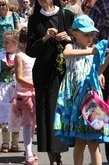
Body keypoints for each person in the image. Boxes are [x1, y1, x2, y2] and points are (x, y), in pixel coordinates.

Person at [26, 0, 75, 165]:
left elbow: (83, 38)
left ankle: (61, 152)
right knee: (46, 116)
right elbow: (30, 50)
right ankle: (53, 159)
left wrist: (68, 37)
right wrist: (45, 38)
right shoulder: (34, 19)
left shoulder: (67, 15)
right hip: (44, 73)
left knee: (61, 113)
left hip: (65, 73)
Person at [54, 15, 109, 165]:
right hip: (76, 101)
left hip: (92, 101)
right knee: (79, 142)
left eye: (92, 34)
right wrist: (92, 52)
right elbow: (66, 54)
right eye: (86, 34)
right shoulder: (71, 46)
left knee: (93, 142)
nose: (90, 38)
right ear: (74, 33)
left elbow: (99, 70)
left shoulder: (94, 50)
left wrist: (107, 57)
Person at [9, 27, 37, 165]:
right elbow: (19, 77)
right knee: (27, 122)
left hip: (35, 91)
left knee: (32, 123)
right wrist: (34, 85)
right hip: (25, 92)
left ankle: (28, 149)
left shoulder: (35, 54)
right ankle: (29, 153)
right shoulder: (19, 55)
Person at [89, 0, 109, 162]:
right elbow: (91, 38)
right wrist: (98, 70)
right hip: (106, 65)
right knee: (105, 110)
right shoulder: (101, 5)